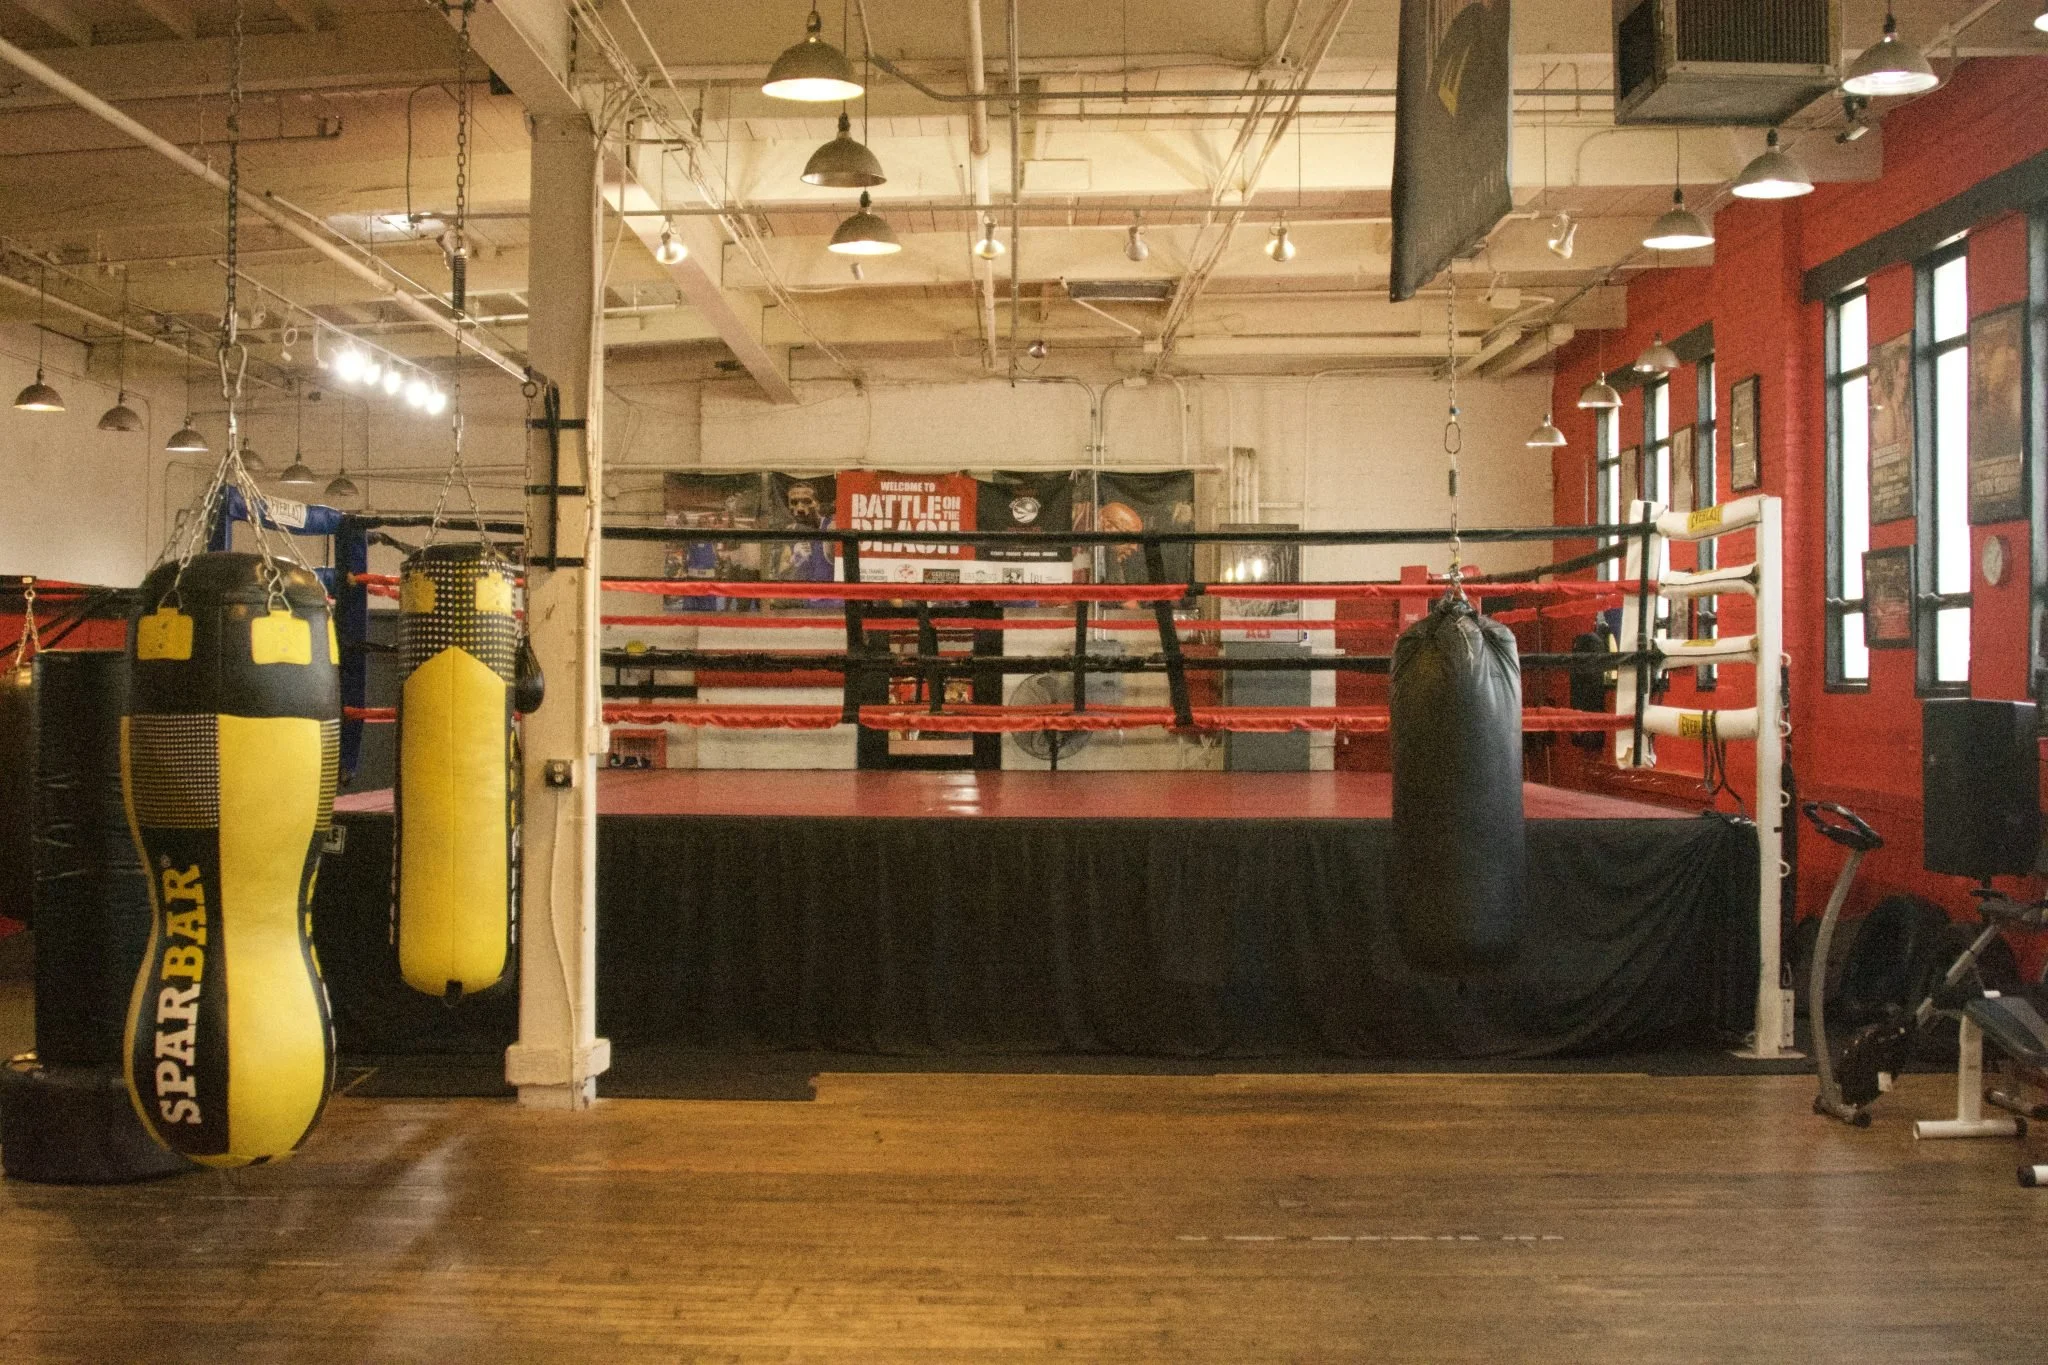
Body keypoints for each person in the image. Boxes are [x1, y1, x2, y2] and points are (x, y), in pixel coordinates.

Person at [770, 480, 836, 582]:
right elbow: (780, 575)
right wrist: (795, 559)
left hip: (830, 594)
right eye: (794, 503)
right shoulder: (791, 531)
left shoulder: (830, 527)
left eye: (806, 501)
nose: (800, 508)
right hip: (805, 595)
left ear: (817, 504)